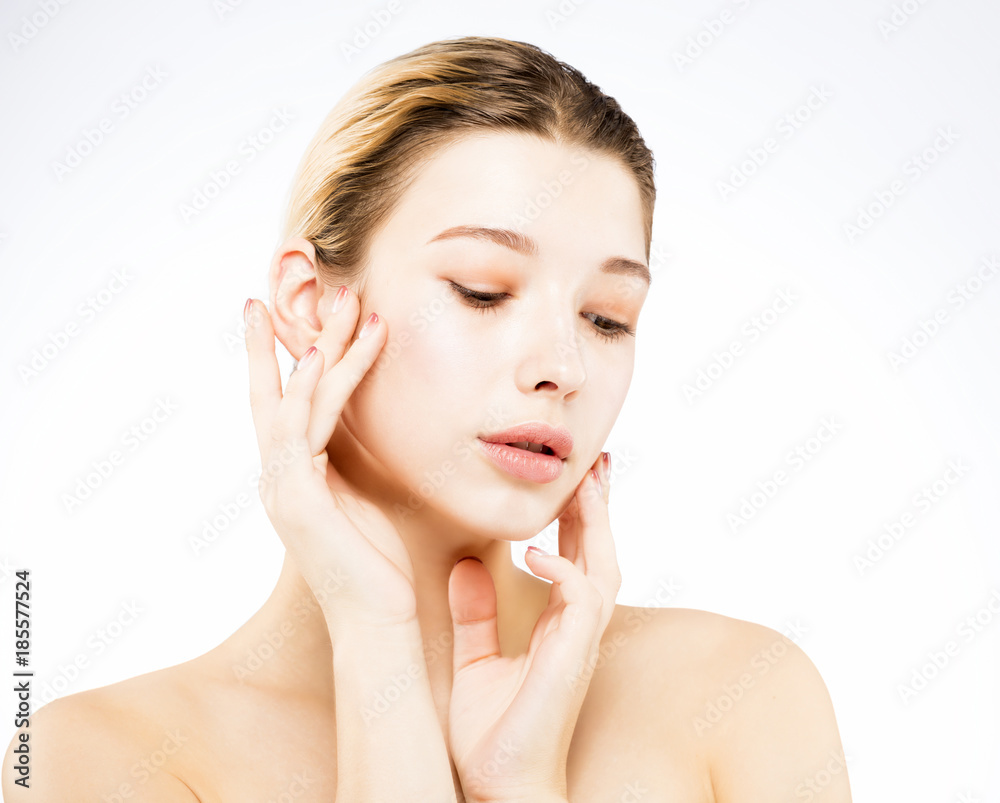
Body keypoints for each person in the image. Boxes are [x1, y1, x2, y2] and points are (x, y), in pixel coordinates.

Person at [3, 36, 851, 802]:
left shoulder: (740, 696)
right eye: (483, 290)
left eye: (607, 316)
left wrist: (522, 786)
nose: (563, 366)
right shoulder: (89, 763)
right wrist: (376, 640)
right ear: (311, 302)